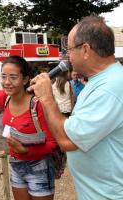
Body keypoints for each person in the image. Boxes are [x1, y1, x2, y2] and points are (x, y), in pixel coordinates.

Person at [29, 15, 123, 199]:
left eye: (69, 49)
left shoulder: (109, 88)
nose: (67, 56)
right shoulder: (102, 81)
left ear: (86, 49)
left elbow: (67, 141)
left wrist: (47, 98)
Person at [0, 56, 57, 200]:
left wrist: (25, 150)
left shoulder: (38, 105)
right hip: (15, 165)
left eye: (13, 77)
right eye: (3, 77)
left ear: (25, 79)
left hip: (39, 166)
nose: (7, 82)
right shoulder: (5, 97)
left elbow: (52, 144)